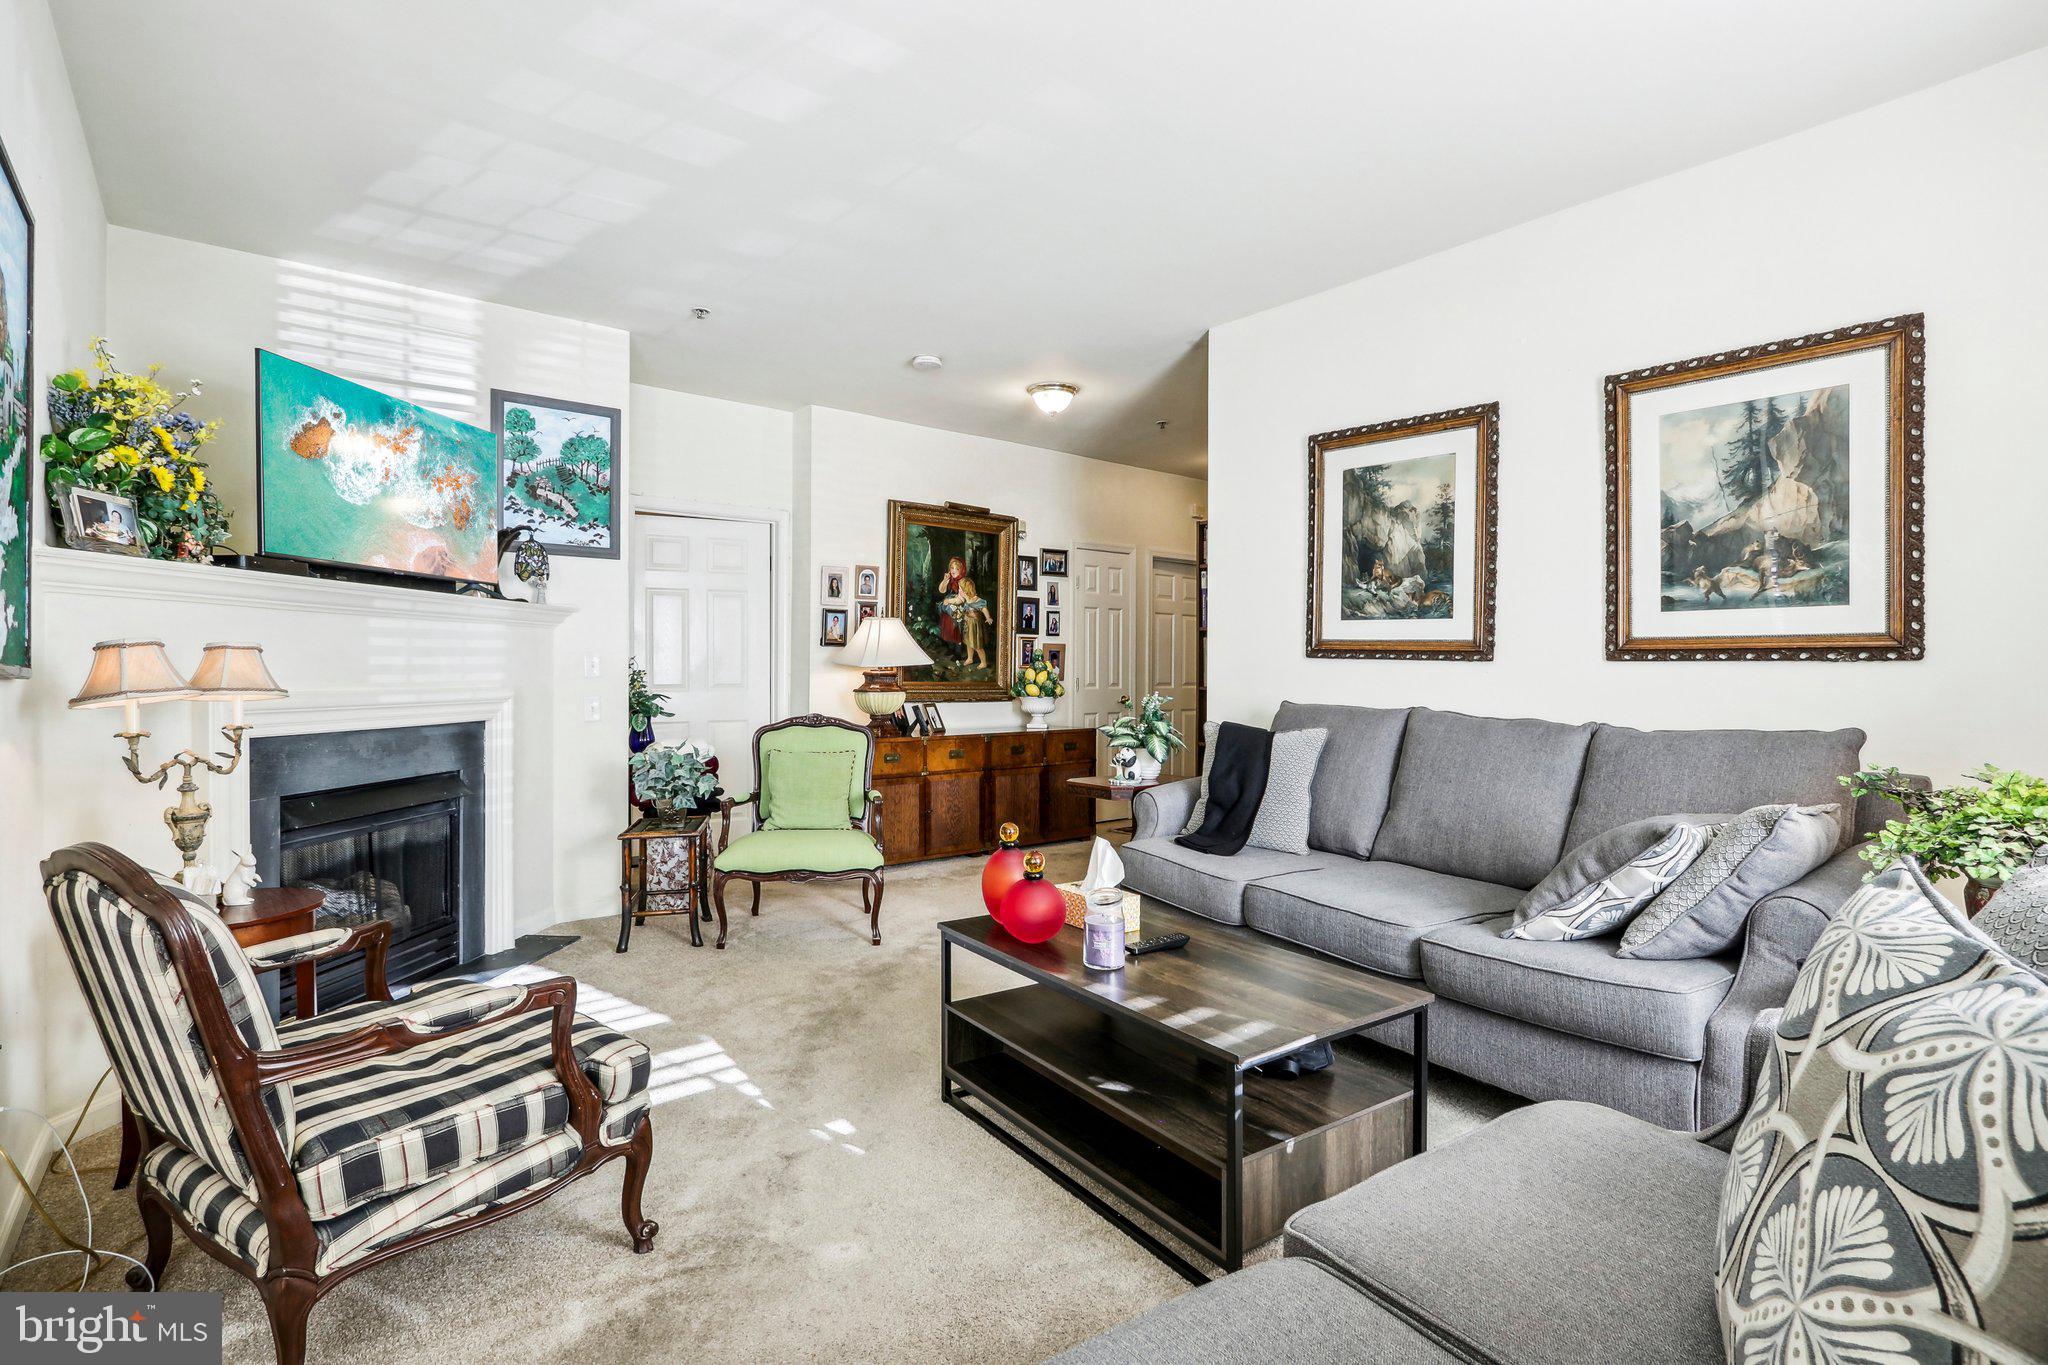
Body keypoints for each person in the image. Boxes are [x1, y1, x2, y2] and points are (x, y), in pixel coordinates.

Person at [945, 577, 993, 670]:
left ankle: (983, 662)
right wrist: (948, 601)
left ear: (966, 590)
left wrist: (988, 617)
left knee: (977, 645)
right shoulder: (965, 599)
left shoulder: (976, 600)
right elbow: (957, 600)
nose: (959, 590)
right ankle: (970, 658)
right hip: (968, 624)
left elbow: (984, 609)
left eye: (960, 589)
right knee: (968, 642)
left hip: (975, 626)